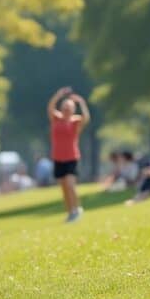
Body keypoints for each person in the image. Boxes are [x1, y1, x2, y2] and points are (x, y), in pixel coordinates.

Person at [47, 86, 90, 222]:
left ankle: (77, 209)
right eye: (65, 107)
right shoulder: (56, 118)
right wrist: (58, 95)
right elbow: (50, 107)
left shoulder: (76, 121)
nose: (66, 110)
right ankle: (70, 212)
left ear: (73, 110)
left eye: (69, 108)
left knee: (70, 185)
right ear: (62, 108)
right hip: (57, 157)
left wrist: (81, 102)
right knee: (64, 187)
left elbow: (86, 117)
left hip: (71, 157)